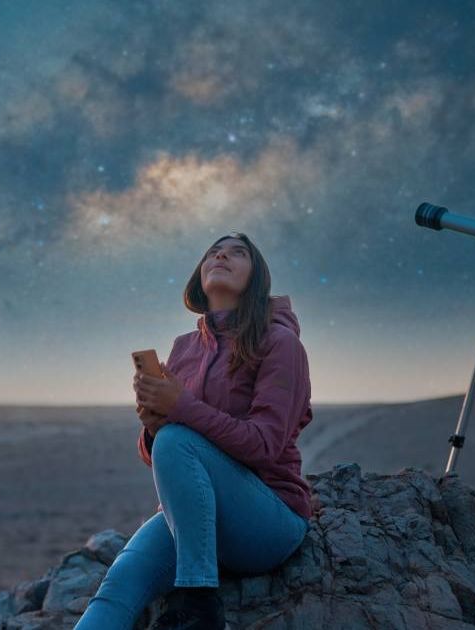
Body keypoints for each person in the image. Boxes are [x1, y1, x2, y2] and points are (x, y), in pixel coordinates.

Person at [74, 231, 314, 630]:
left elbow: (264, 446)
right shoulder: (185, 347)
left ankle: (199, 604)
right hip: (193, 521)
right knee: (117, 587)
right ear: (199, 275)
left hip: (267, 520)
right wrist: (153, 427)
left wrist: (179, 410)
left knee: (177, 438)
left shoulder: (280, 342)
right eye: (213, 253)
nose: (221, 257)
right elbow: (163, 457)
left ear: (257, 277)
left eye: (238, 254)